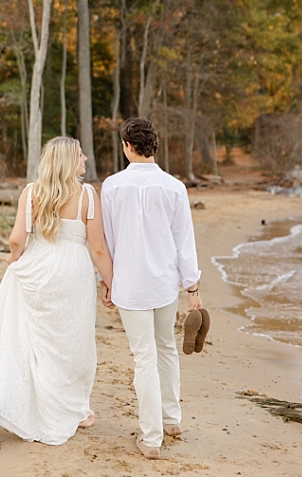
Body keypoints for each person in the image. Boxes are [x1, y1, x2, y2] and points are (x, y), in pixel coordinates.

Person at [0, 136, 114, 445]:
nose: (85, 160)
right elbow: (98, 249)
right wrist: (110, 282)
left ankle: (35, 408)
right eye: (80, 155)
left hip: (37, 268)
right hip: (73, 273)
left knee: (34, 341)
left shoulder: (31, 192)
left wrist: (15, 259)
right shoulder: (88, 196)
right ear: (68, 161)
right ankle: (74, 409)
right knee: (73, 342)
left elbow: (15, 240)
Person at [101, 117, 202, 460]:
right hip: (163, 284)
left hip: (130, 284)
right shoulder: (175, 187)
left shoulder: (112, 187)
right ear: (153, 145)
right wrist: (192, 287)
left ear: (127, 146)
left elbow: (108, 243)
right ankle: (171, 420)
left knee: (144, 358)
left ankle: (151, 438)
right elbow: (183, 242)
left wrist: (106, 281)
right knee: (166, 349)